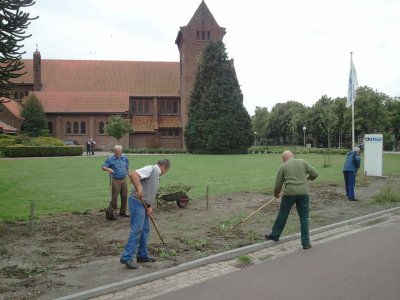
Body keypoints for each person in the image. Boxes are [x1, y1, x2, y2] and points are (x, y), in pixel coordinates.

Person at [120, 159, 171, 269]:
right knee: (137, 229)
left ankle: (142, 255)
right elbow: (134, 174)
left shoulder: (156, 176)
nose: (165, 173)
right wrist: (139, 188)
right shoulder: (150, 169)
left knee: (145, 229)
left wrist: (150, 206)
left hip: (145, 205)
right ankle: (127, 257)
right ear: (164, 167)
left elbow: (151, 192)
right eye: (166, 171)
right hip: (137, 202)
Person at [265, 150, 318, 249]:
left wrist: (276, 194)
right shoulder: (303, 162)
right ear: (292, 156)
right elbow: (314, 173)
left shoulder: (283, 167)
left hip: (289, 193)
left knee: (283, 214)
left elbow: (278, 184)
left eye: (282, 159)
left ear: (284, 158)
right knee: (304, 217)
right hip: (304, 193)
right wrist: (308, 178)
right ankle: (306, 243)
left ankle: (275, 235)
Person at [101, 145, 130, 220]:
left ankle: (123, 212)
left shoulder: (125, 158)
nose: (118, 154)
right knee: (114, 197)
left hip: (124, 179)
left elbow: (127, 168)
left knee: (124, 195)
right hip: (115, 179)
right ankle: (113, 212)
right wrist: (108, 169)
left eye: (119, 152)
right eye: (117, 153)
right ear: (114, 151)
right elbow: (102, 167)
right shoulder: (110, 159)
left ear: (121, 151)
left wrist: (130, 176)